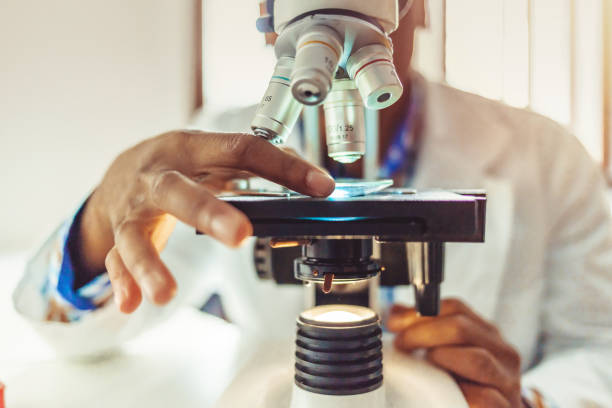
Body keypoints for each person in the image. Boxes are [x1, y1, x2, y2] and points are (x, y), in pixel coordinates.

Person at [13, 1, 612, 407]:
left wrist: (531, 400)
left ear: (418, 5)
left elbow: (599, 348)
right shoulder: (213, 150)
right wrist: (100, 223)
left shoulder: (547, 155)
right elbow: (72, 336)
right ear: (271, 19)